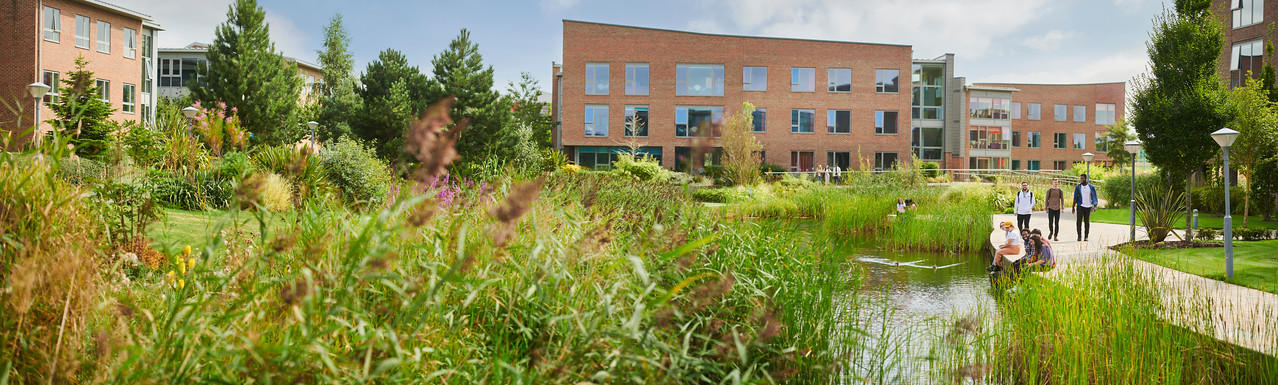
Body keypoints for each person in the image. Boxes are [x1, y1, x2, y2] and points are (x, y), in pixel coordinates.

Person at [1073, 173, 1099, 241]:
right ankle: (1079, 236)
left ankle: (1086, 236)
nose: (1081, 180)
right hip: (1080, 206)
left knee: (1086, 221)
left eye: (1082, 178)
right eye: (1080, 178)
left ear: (1086, 179)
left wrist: (1095, 206)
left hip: (1088, 206)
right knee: (1079, 221)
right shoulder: (1078, 187)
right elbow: (1075, 197)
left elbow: (1094, 196)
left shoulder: (1091, 187)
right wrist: (1073, 207)